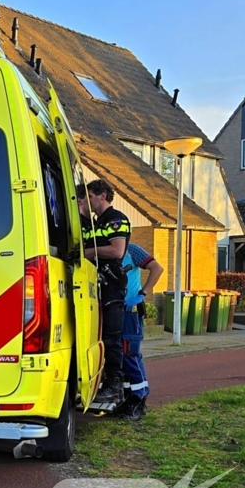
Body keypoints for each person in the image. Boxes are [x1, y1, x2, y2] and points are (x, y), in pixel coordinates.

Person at [78, 180, 130, 405]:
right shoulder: (96, 222)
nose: (88, 200)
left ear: (102, 196)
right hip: (97, 286)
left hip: (112, 286)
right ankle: (106, 383)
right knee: (100, 337)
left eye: (90, 196)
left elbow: (117, 251)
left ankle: (114, 385)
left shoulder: (116, 219)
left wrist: (87, 252)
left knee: (111, 338)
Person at [116, 243, 164, 421]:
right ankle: (128, 399)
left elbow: (157, 268)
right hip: (113, 311)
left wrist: (142, 293)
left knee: (130, 353)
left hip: (130, 310)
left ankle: (139, 399)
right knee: (119, 355)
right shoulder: (106, 249)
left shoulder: (132, 249)